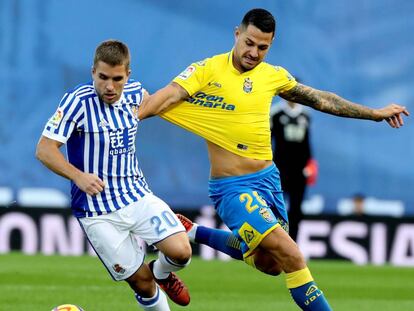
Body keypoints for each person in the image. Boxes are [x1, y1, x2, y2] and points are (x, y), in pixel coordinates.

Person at [138, 8, 409, 311]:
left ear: (271, 44)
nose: (254, 52)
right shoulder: (207, 70)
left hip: (268, 180)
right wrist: (134, 116)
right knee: (292, 254)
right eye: (249, 43)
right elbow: (169, 96)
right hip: (232, 188)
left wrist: (372, 113)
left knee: (272, 264)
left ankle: (193, 231)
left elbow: (320, 99)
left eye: (263, 47)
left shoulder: (273, 75)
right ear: (236, 34)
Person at [35, 40, 192, 311]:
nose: (109, 86)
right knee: (142, 283)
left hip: (137, 195)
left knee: (181, 252)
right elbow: (44, 149)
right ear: (93, 72)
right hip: (97, 211)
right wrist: (78, 176)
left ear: (127, 75)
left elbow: (160, 103)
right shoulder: (78, 102)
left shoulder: (134, 92)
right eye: (102, 77)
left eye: (117, 79)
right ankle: (153, 282)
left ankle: (162, 272)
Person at [270, 89, 318, 241]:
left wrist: (310, 164)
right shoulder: (276, 113)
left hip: (299, 169)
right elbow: (267, 140)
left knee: (296, 208)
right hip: (279, 168)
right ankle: (273, 242)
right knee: (274, 206)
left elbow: (307, 143)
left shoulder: (305, 115)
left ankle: (293, 243)